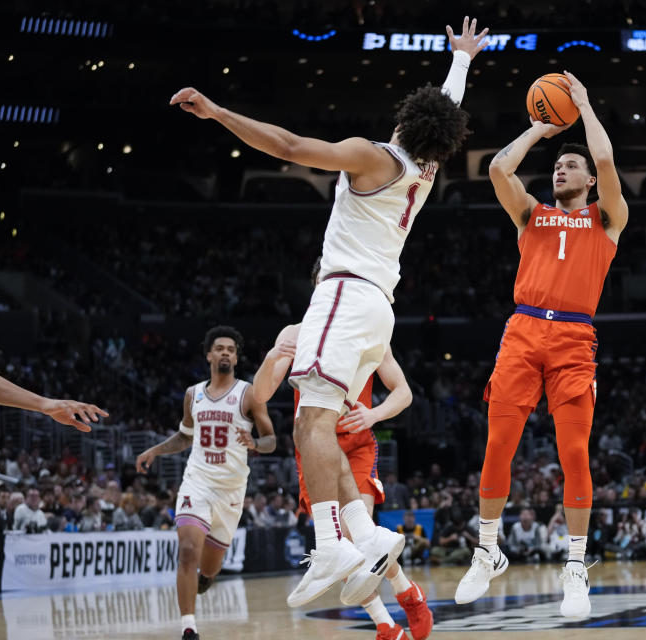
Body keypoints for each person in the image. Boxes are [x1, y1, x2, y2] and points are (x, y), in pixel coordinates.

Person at [173, 15, 489, 611]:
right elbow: (447, 108)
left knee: (308, 424)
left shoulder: (373, 155)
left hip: (344, 293)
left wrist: (218, 113)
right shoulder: (426, 168)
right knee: (319, 424)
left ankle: (330, 548)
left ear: (403, 120)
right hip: (378, 308)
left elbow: (289, 146)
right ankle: (366, 537)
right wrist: (462, 61)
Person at [455, 71, 629, 619]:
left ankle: (575, 566)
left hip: (575, 338)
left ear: (590, 181)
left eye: (570, 165)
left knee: (573, 452)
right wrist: (538, 129)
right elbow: (498, 168)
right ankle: (488, 551)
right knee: (498, 445)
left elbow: (604, 162)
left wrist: (583, 104)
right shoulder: (532, 214)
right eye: (559, 164)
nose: (561, 168)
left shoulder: (606, 218)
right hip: (523, 330)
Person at [253, 299, 433, 640]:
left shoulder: (368, 329)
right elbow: (260, 394)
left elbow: (404, 391)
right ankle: (386, 622)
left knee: (355, 537)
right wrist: (272, 356)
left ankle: (406, 594)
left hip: (354, 441)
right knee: (340, 546)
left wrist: (375, 414)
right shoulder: (296, 333)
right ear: (319, 287)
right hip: (313, 445)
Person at [136, 326, 275, 640]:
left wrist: (255, 443)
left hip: (231, 491)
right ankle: (189, 628)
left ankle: (207, 577)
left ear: (236, 358)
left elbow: (271, 439)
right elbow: (186, 437)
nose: (226, 352)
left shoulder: (249, 393)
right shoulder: (192, 394)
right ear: (209, 355)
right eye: (220, 348)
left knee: (210, 567)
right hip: (196, 482)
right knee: (187, 551)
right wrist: (156, 449)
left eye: (231, 349)